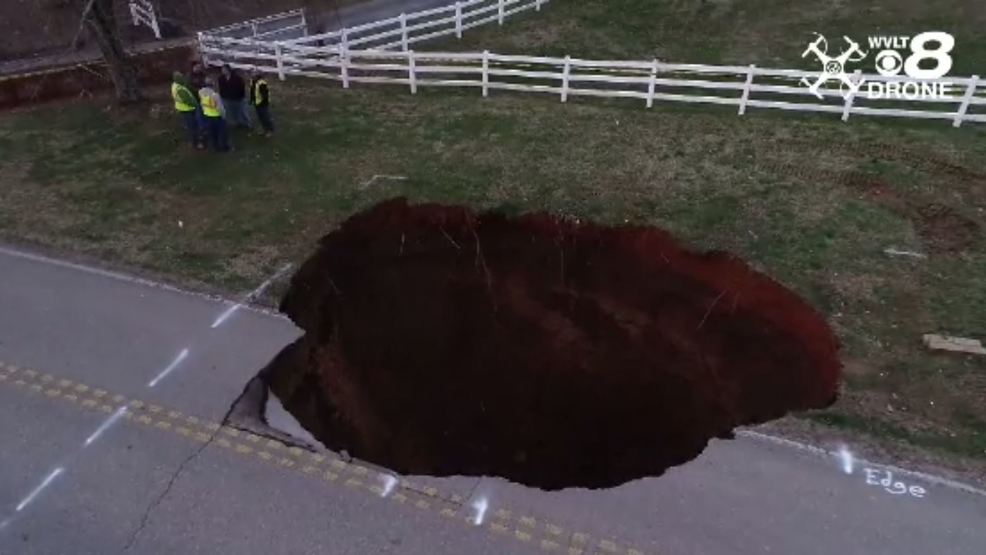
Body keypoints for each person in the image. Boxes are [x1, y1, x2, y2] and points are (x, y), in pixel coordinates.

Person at [198, 76, 231, 152]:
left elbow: (202, 104)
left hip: (207, 115)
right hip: (217, 116)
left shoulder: (201, 92)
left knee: (212, 133)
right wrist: (224, 116)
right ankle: (224, 147)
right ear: (212, 85)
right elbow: (220, 108)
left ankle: (215, 147)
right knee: (222, 133)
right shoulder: (215, 95)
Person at [170, 71, 200, 148]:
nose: (183, 78)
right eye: (181, 77)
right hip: (188, 109)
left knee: (189, 125)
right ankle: (195, 143)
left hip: (182, 108)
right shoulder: (180, 89)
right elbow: (188, 101)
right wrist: (196, 104)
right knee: (192, 126)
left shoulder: (174, 85)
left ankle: (194, 139)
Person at [218, 64, 251, 129]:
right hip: (227, 98)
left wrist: (240, 96)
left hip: (238, 98)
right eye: (222, 70)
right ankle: (237, 123)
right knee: (231, 112)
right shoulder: (221, 78)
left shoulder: (237, 78)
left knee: (242, 112)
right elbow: (221, 88)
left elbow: (241, 87)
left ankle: (247, 124)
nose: (223, 71)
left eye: (224, 69)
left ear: (228, 70)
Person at [250, 71, 275, 137]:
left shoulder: (262, 83)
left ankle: (270, 130)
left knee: (266, 117)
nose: (252, 75)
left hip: (262, 104)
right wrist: (251, 100)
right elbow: (252, 91)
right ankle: (265, 130)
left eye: (254, 74)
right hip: (256, 103)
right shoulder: (253, 82)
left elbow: (265, 95)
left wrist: (262, 103)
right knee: (261, 118)